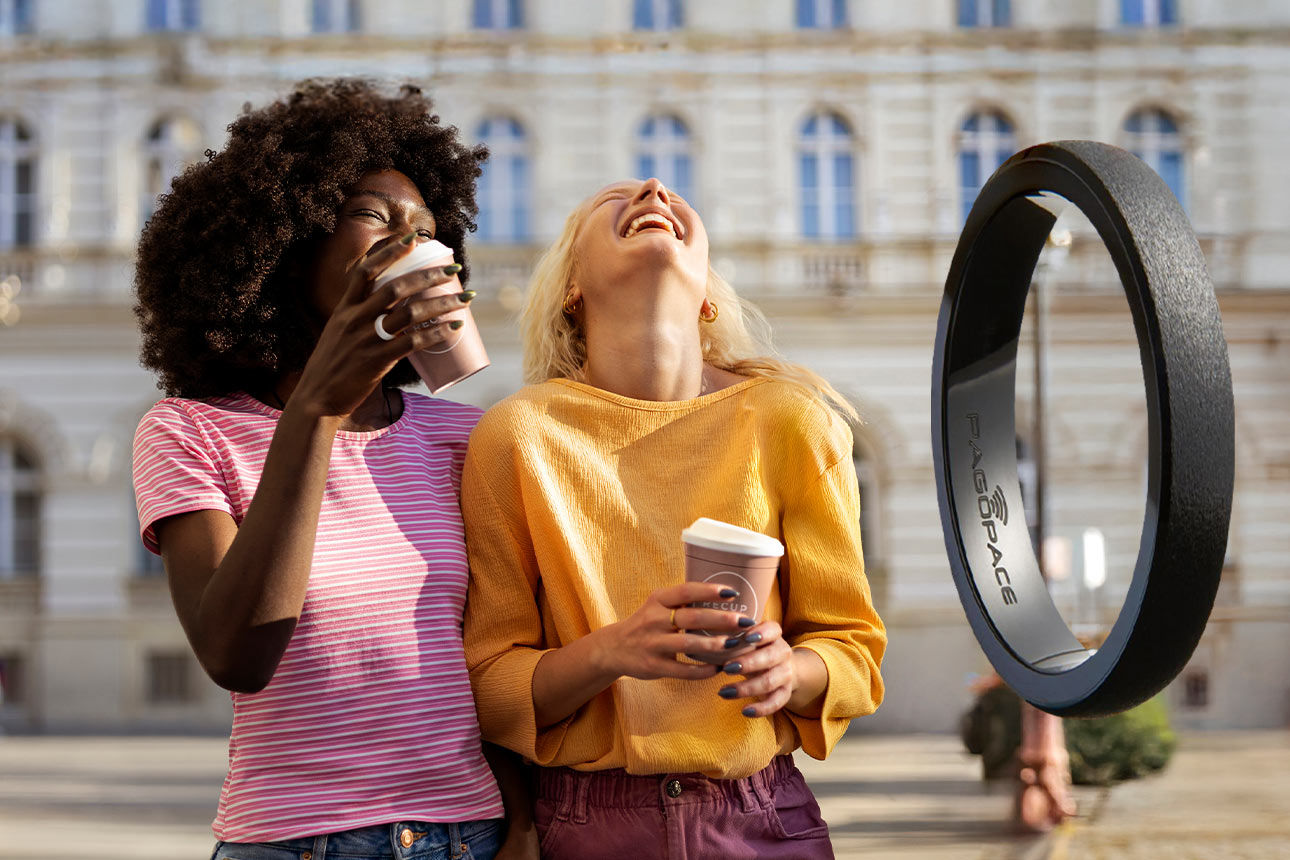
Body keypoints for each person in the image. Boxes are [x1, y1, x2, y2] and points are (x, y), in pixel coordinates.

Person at [131, 78, 536, 860]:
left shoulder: (465, 437)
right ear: (286, 240)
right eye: (374, 215)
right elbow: (235, 655)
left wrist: (521, 824)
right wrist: (315, 411)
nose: (410, 243)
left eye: (427, 230)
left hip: (468, 837)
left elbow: (498, 654)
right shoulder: (190, 432)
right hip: (293, 841)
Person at [461, 177, 887, 858]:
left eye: (669, 199)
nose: (655, 191)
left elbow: (853, 652)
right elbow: (488, 682)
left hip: (762, 819)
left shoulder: (791, 420)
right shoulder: (516, 436)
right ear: (572, 285)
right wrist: (609, 653)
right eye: (614, 201)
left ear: (708, 292)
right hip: (587, 826)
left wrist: (793, 672)